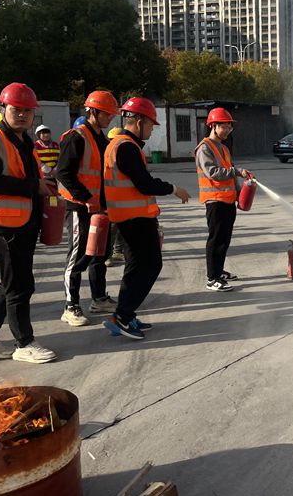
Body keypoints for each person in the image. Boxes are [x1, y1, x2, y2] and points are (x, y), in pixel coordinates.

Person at [0, 83, 57, 363]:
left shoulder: (25, 143)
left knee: (12, 283)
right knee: (18, 285)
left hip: (20, 224)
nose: (21, 115)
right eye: (16, 109)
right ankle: (24, 343)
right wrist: (33, 186)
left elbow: (30, 180)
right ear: (3, 109)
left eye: (27, 111)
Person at [102, 97, 191, 340]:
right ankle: (123, 316)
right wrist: (173, 188)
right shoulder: (127, 147)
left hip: (127, 217)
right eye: (151, 124)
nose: (152, 130)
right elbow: (144, 184)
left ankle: (124, 314)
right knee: (151, 265)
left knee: (135, 267)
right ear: (139, 121)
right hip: (135, 219)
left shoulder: (118, 144)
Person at [55, 91, 119, 327]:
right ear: (93, 111)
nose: (110, 118)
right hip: (79, 206)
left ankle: (99, 298)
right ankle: (70, 306)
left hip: (99, 207)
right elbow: (63, 173)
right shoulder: (76, 137)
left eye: (112, 115)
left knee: (99, 255)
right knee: (78, 255)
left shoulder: (101, 139)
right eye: (107, 114)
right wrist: (86, 198)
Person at [195, 107, 253, 292]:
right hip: (215, 201)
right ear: (213, 126)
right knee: (216, 240)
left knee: (224, 240)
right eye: (224, 127)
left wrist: (240, 192)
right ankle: (212, 278)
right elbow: (213, 172)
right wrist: (237, 171)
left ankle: (219, 271)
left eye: (229, 127)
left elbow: (230, 174)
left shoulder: (224, 148)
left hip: (227, 201)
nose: (227, 130)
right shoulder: (205, 148)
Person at [105, 126, 125, 266]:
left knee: (121, 225)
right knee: (111, 227)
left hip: (122, 197)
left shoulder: (127, 152)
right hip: (110, 196)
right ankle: (107, 255)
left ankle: (118, 251)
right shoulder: (106, 153)